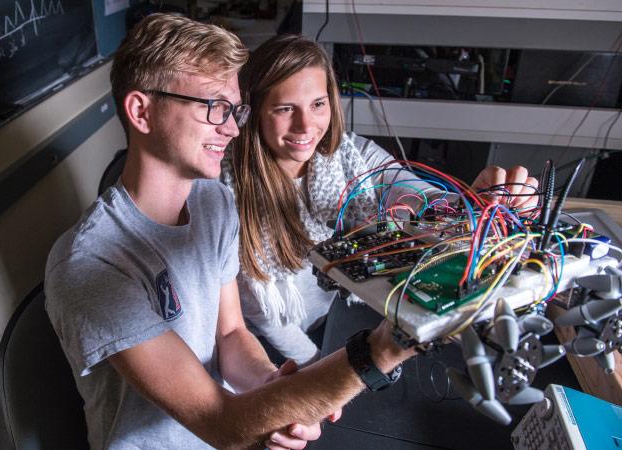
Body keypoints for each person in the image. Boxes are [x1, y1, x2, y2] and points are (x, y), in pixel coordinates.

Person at [45, 14, 418, 450]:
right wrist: (387, 348)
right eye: (213, 107)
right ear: (141, 111)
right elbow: (220, 422)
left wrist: (270, 385)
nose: (233, 127)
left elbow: (230, 335)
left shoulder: (211, 202)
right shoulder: (93, 265)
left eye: (235, 109)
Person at [222, 34, 539, 366]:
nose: (305, 125)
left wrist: (468, 206)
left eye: (318, 104)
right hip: (261, 350)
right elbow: (261, 315)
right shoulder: (224, 186)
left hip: (335, 318)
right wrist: (319, 367)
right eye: (285, 108)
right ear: (254, 110)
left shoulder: (352, 155)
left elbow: (412, 193)